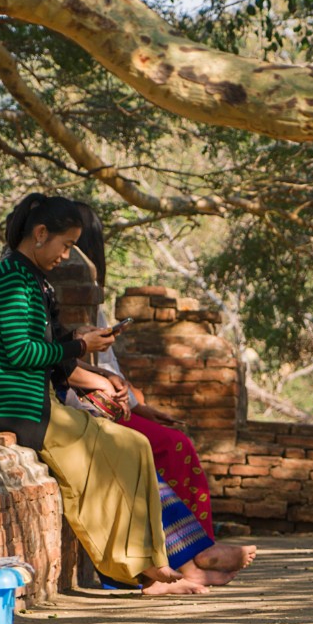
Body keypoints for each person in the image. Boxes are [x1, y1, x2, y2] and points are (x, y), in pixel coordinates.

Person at [0, 194, 246, 594]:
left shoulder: (32, 279)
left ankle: (155, 565)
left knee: (134, 445)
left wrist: (86, 354)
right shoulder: (12, 279)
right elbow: (20, 352)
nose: (67, 255)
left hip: (36, 408)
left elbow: (51, 348)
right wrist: (81, 348)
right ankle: (137, 571)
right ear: (40, 234)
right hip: (15, 410)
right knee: (109, 463)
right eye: (65, 245)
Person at [63, 201, 255, 576]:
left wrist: (136, 403)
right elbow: (64, 364)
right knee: (166, 446)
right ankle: (191, 554)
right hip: (81, 407)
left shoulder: (92, 305)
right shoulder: (40, 296)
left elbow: (103, 367)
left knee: (171, 441)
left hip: (109, 402)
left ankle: (195, 549)